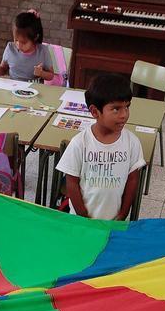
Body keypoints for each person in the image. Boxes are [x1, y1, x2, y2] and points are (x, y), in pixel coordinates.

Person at [55, 74, 146, 220]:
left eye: (127, 107)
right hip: (82, 221)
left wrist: (123, 213)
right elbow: (71, 182)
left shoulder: (132, 142)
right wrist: (83, 216)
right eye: (116, 109)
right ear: (95, 112)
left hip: (114, 221)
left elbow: (133, 180)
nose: (124, 115)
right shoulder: (80, 143)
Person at [0, 10, 55, 82]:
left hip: (35, 88)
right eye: (16, 40)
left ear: (35, 38)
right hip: (14, 87)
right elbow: (3, 69)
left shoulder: (43, 51)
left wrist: (41, 73)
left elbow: (51, 76)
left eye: (24, 43)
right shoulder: (10, 48)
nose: (18, 45)